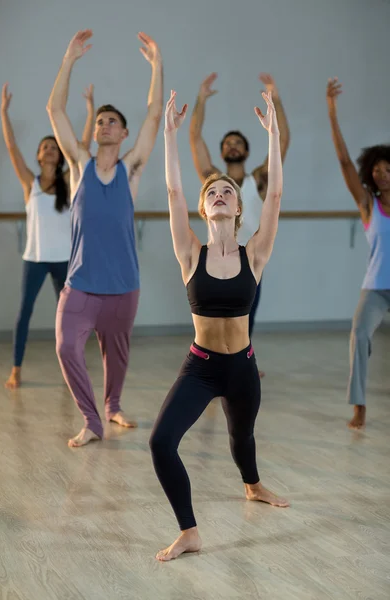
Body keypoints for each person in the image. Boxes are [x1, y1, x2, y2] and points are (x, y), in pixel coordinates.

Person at [149, 89, 289, 562]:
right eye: (211, 192)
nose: (220, 193)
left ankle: (252, 485)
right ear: (204, 210)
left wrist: (272, 134)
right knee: (161, 441)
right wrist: (168, 135)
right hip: (201, 367)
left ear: (237, 207)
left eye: (227, 190)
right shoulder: (191, 252)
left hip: (243, 367)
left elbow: (276, 194)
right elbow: (172, 190)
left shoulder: (256, 252)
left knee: (241, 437)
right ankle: (189, 531)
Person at [46, 30, 163, 447]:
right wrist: (69, 59)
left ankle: (113, 406)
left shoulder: (132, 169)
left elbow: (154, 116)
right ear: (95, 133)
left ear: (124, 133)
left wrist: (157, 67)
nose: (104, 124)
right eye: (100, 121)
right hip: (80, 285)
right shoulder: (80, 166)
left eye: (112, 120)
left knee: (117, 355)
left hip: (123, 286)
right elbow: (55, 109)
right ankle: (91, 420)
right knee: (66, 348)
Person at [189, 73, 290, 367]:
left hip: (250, 258)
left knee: (245, 317)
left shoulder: (258, 180)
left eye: (237, 143)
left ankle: (241, 364)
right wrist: (201, 100)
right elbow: (194, 139)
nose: (232, 146)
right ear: (222, 152)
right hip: (215, 257)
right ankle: (209, 365)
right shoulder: (214, 182)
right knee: (208, 316)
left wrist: (276, 99)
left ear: (246, 151)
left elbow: (282, 142)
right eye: (228, 143)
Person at [1, 82, 94, 389]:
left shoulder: (69, 181)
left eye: (54, 146)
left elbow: (81, 146)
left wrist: (91, 111)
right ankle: (16, 368)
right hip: (36, 260)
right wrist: (3, 112)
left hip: (65, 261)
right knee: (24, 313)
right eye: (45, 147)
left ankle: (74, 370)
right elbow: (12, 148)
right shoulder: (31, 183)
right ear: (39, 156)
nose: (51, 149)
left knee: (69, 319)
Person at [327, 77, 390, 430]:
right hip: (376, 287)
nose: (382, 175)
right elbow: (342, 160)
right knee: (360, 335)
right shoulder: (368, 205)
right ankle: (360, 406)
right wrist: (333, 112)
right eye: (377, 170)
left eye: (388, 169)